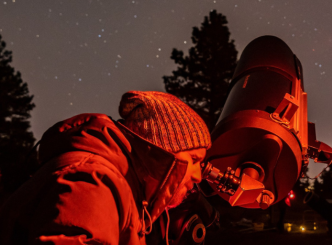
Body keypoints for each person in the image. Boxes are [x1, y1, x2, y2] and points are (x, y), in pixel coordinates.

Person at [0, 91, 212, 244]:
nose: (197, 176)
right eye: (194, 159)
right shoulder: (92, 181)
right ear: (160, 150)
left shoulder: (127, 193)